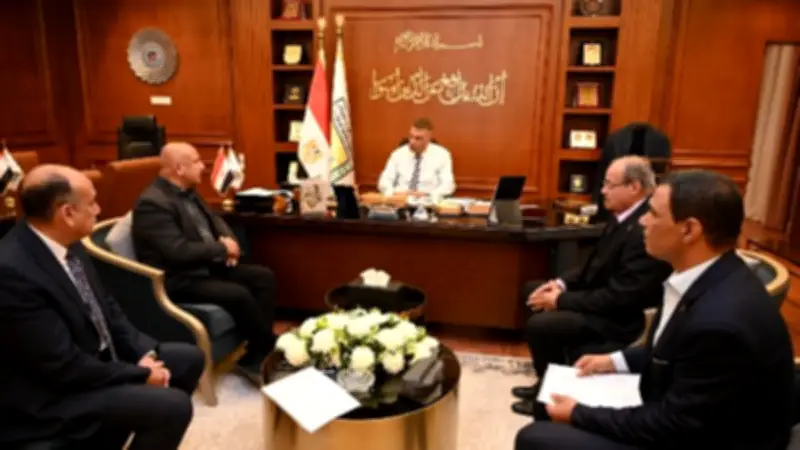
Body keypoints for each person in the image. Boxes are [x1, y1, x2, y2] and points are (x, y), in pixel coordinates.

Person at [515, 170, 795, 450]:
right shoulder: (706, 275)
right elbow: (672, 351)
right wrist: (614, 361)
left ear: (689, 230)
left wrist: (579, 413)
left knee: (535, 438)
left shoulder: (719, 324)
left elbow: (676, 426)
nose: (642, 221)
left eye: (653, 213)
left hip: (704, 440)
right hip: (680, 411)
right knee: (547, 400)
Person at [0, 165, 204, 449]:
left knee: (188, 358)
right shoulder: (11, 272)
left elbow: (105, 305)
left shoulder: (67, 241)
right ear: (67, 213)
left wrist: (142, 354)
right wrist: (140, 375)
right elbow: (61, 365)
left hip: (94, 358)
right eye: (92, 203)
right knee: (172, 406)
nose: (98, 210)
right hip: (52, 394)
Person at [512, 156, 672, 418]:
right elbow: (592, 264)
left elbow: (621, 297)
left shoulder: (642, 230)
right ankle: (546, 378)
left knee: (543, 325)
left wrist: (560, 300)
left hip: (620, 318)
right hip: (600, 297)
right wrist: (559, 284)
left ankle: (551, 390)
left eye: (609, 185)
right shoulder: (622, 216)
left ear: (633, 187)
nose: (603, 190)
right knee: (532, 290)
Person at [131, 142, 276, 380]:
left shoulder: (188, 191)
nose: (203, 167)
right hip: (180, 278)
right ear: (179, 168)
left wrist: (229, 242)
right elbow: (177, 251)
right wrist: (221, 248)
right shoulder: (153, 204)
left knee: (263, 277)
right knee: (238, 294)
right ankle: (265, 348)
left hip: (205, 267)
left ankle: (257, 353)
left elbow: (214, 221)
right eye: (197, 161)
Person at [377, 117, 456, 198]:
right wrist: (394, 193)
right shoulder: (398, 154)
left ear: (428, 138)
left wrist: (428, 194)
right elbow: (384, 181)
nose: (412, 141)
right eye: (411, 136)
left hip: (427, 200)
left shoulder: (442, 155)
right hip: (401, 199)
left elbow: (448, 184)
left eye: (418, 138)